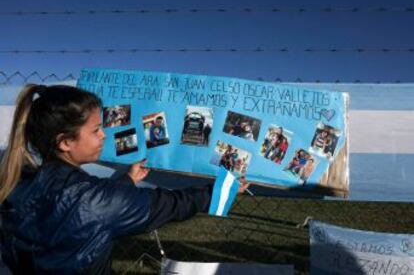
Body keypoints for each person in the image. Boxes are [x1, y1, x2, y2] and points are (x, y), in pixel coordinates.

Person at [0, 84, 249, 274]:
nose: (105, 135)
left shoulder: (15, 183)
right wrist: (220, 189)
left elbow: (87, 208)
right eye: (96, 130)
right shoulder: (92, 199)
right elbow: (170, 204)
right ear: (65, 142)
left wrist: (126, 182)